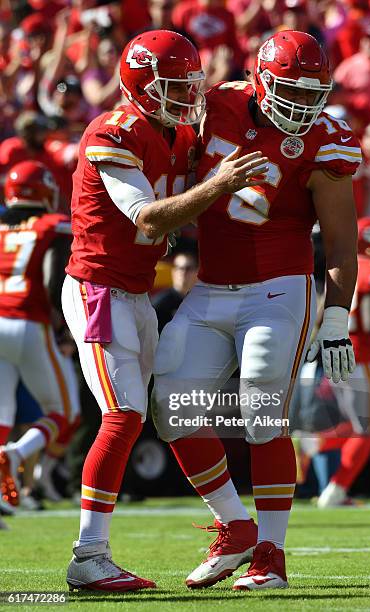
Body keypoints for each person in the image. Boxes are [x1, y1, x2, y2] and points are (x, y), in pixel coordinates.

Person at [60, 29, 268, 593]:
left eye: (190, 86)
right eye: (174, 87)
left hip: (137, 294)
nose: (185, 98)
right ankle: (89, 555)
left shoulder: (175, 133)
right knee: (122, 416)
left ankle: (238, 526)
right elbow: (149, 219)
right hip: (98, 291)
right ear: (140, 84)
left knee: (167, 409)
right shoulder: (114, 131)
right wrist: (219, 185)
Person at [153, 30, 361, 591]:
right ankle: (235, 526)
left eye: (314, 91)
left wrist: (335, 320)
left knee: (262, 408)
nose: (304, 104)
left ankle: (272, 555)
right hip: (213, 283)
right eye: (292, 89)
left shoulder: (326, 138)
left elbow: (341, 245)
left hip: (278, 287)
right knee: (170, 405)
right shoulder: (215, 103)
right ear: (261, 79)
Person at [0, 161, 75, 511]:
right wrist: (63, 322)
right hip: (30, 322)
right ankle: (15, 454)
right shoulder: (52, 224)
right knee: (63, 411)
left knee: (3, 413)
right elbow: (50, 281)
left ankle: (4, 487)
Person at [317, 217, 370, 507]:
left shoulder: (341, 267)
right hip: (363, 359)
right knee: (368, 430)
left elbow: (320, 315)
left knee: (357, 427)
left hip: (337, 356)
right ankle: (335, 492)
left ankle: (316, 445)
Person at [152, 251, 198, 333]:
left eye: (188, 268)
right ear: (173, 271)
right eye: (178, 267)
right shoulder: (160, 304)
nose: (183, 272)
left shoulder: (202, 301)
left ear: (197, 272)